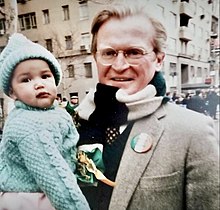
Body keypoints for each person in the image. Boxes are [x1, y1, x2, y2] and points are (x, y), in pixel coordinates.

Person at [73, 2, 219, 210]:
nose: (120, 66)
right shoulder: (71, 125)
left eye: (134, 52)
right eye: (109, 53)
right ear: (95, 57)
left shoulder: (193, 132)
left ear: (158, 59)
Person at [0, 33, 90, 210]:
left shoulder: (52, 112)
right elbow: (53, 176)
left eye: (45, 76)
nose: (39, 84)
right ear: (12, 92)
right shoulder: (29, 125)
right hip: (33, 199)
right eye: (26, 79)